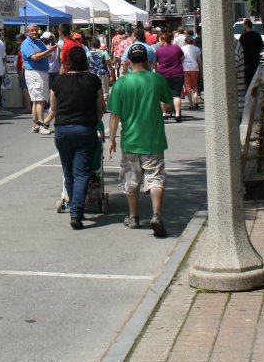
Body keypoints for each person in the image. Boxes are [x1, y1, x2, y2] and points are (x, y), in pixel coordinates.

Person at [107, 42, 172, 237]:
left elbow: (114, 116)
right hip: (154, 139)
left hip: (130, 140)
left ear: (128, 61)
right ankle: (156, 215)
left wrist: (111, 140)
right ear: (147, 60)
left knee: (131, 180)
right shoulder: (157, 80)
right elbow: (167, 105)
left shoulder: (120, 83)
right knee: (156, 178)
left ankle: (133, 217)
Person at [50, 46, 105, 229]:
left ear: (67, 61)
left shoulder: (58, 81)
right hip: (85, 129)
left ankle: (74, 206)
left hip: (62, 130)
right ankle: (76, 212)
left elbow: (54, 107)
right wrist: (96, 121)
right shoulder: (93, 80)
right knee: (82, 173)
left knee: (69, 173)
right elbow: (100, 106)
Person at [20, 24, 58, 135]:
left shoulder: (39, 42)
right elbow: (35, 57)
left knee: (37, 99)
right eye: (32, 31)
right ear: (27, 32)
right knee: (39, 99)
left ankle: (35, 124)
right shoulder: (26, 43)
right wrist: (44, 53)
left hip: (41, 72)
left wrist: (42, 54)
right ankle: (41, 125)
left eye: (36, 30)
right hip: (34, 72)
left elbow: (48, 55)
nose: (35, 32)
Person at [154, 30, 183, 123]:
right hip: (177, 73)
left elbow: (155, 63)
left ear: (163, 40)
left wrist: (156, 70)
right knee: (176, 94)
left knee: (163, 95)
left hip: (163, 74)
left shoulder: (159, 50)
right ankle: (177, 114)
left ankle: (164, 113)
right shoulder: (177, 48)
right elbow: (182, 58)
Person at [239, 19, 264, 88]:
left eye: (243, 26)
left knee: (247, 82)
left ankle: (247, 96)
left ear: (246, 26)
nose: (243, 27)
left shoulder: (243, 36)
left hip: (246, 63)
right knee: (255, 81)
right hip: (255, 62)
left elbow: (240, 49)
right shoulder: (257, 36)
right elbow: (261, 47)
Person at [88, 37, 113, 106]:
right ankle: (104, 105)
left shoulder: (88, 53)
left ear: (91, 45)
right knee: (105, 91)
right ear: (99, 45)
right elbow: (109, 63)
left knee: (94, 90)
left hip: (92, 74)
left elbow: (87, 64)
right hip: (103, 73)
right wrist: (111, 73)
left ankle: (96, 104)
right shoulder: (103, 52)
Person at [182, 34, 202, 109]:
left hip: (185, 68)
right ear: (193, 41)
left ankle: (191, 104)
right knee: (195, 86)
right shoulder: (197, 49)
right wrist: (201, 69)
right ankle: (196, 101)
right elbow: (199, 60)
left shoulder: (182, 48)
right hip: (195, 68)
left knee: (188, 86)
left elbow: (181, 59)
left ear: (185, 42)